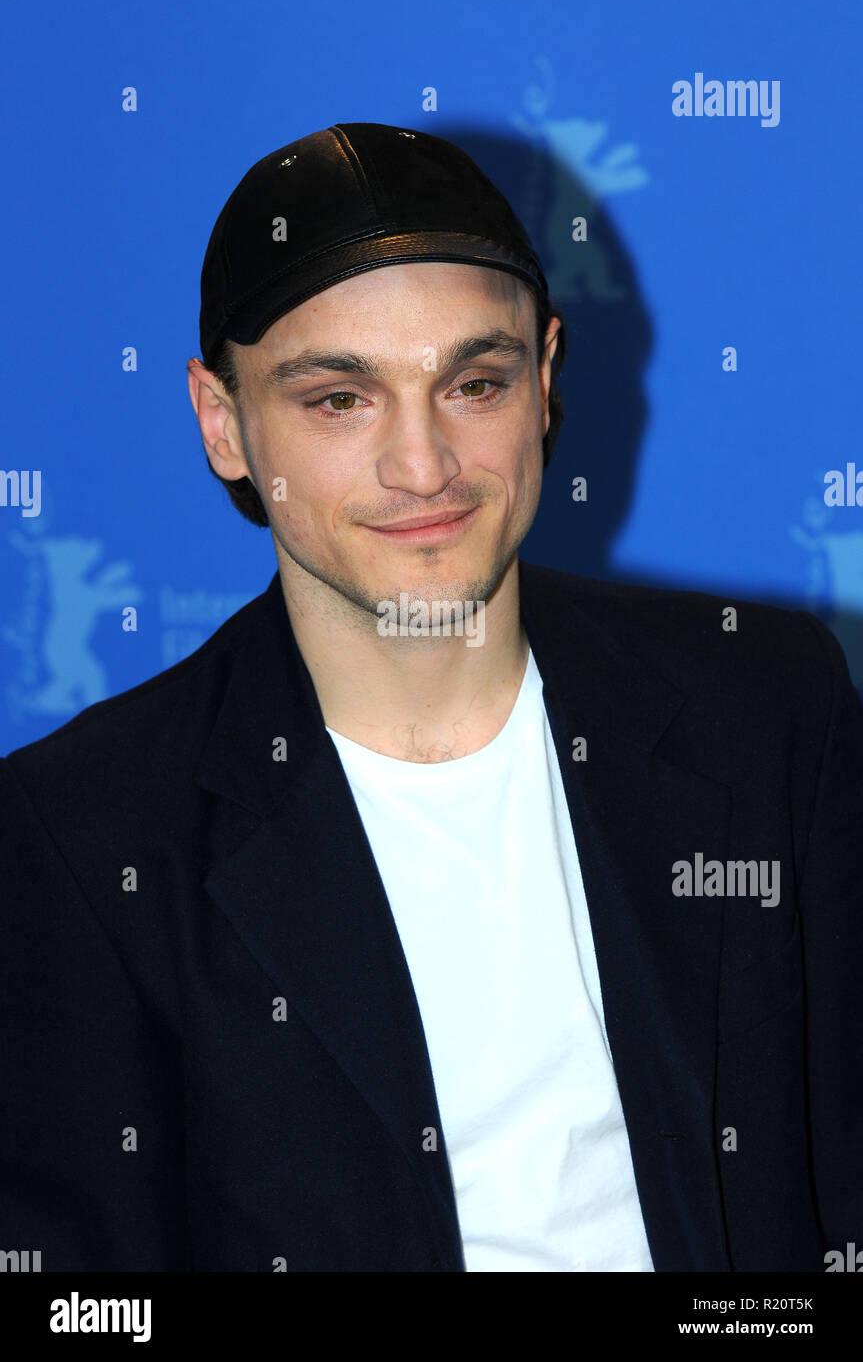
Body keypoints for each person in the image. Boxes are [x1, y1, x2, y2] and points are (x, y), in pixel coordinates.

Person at [1, 122, 861, 1273]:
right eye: (337, 400)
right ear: (223, 423)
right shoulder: (85, 831)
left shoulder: (763, 706)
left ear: (545, 378)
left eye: (473, 382)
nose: (423, 466)